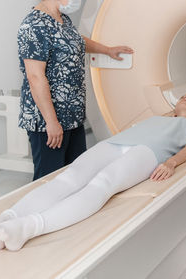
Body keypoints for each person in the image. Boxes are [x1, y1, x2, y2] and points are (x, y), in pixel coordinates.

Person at [0, 94, 186, 251]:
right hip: (114, 144)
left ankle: (25, 229)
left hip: (148, 153)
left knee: (101, 184)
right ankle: (4, 219)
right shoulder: (155, 119)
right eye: (184, 96)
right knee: (69, 178)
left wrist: (170, 163)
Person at [18, 0, 134, 180]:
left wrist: (107, 50)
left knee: (76, 174)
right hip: (48, 122)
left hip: (72, 116)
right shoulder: (33, 25)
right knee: (50, 179)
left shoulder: (62, 19)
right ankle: (42, 209)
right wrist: (52, 122)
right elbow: (35, 78)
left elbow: (76, 40)